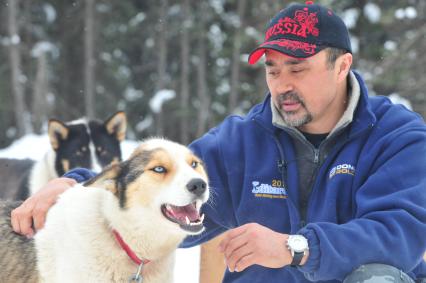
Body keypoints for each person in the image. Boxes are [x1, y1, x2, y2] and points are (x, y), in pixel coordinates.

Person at [10, 1, 426, 282]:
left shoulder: (397, 138)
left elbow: (398, 234)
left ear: (342, 66)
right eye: (273, 69)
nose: (282, 85)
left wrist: (296, 247)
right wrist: (77, 186)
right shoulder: (242, 141)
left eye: (297, 68)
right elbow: (161, 188)